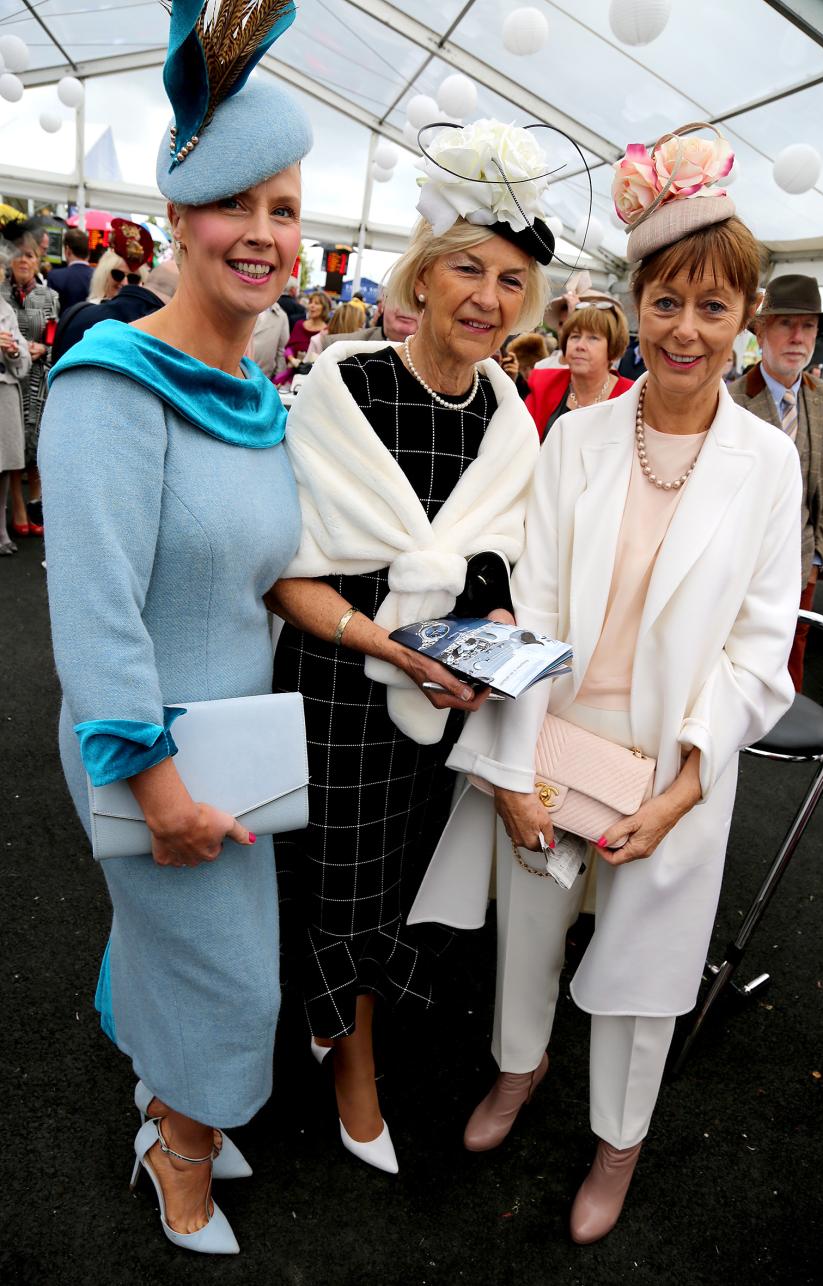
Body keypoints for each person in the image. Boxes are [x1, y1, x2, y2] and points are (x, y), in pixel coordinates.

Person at [409, 123, 801, 1245]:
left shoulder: (766, 463)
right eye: (665, 301)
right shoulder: (577, 439)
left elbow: (759, 648)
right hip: (557, 718)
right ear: (633, 304)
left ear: (743, 317)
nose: (685, 329)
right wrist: (509, 769)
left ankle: (618, 1140)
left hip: (674, 746)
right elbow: (533, 611)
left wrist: (680, 792)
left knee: (640, 966)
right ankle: (517, 1067)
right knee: (529, 922)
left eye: (712, 307)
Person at [38, 0, 312, 1255]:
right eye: (232, 203)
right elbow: (93, 615)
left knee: (209, 952)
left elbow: (267, 571)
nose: (261, 233)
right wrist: (153, 785)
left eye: (284, 208)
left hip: (239, 744)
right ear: (177, 214)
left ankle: (172, 1091)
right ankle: (175, 1143)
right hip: (146, 746)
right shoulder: (110, 384)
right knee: (231, 973)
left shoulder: (255, 389)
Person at [267, 117, 552, 1177]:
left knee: (399, 883)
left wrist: (491, 636)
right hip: (337, 688)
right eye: (468, 269)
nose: (488, 298)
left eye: (511, 280)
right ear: (422, 276)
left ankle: (340, 1020)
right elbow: (284, 573)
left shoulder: (509, 418)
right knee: (342, 882)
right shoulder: (344, 388)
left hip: (439, 702)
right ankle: (353, 1072)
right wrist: (390, 645)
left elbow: (497, 566)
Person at [728, 275, 823, 691]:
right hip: (741, 565)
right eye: (785, 323)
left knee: (792, 656)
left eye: (808, 326)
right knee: (737, 658)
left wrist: (818, 555)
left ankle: (788, 723)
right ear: (760, 331)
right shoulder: (731, 399)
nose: (797, 337)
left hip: (801, 563)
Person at [0, 234, 58, 537]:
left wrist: (44, 349)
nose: (24, 260)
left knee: (35, 441)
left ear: (38, 261)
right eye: (20, 255)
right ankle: (17, 505)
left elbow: (53, 333)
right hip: (7, 380)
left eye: (30, 256)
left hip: (35, 378)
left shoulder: (48, 297)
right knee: (11, 445)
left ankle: (35, 502)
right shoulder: (1, 295)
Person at [525, 291, 633, 439]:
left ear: (613, 346)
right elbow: (524, 441)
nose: (580, 346)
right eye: (575, 336)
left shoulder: (632, 396)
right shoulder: (543, 383)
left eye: (593, 338)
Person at [50, 259, 179, 365]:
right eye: (118, 275)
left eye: (133, 278)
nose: (125, 282)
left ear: (143, 282)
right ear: (104, 275)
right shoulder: (78, 311)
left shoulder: (77, 313)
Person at [0, 256, 32, 554]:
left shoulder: (5, 310)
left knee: (4, 466)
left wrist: (13, 352)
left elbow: (21, 357)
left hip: (6, 393)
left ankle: (0, 531)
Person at [320, 287, 419, 349]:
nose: (408, 305)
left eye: (419, 300)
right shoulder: (336, 347)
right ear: (383, 303)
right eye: (400, 297)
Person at [277, 289, 330, 381]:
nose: (312, 306)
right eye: (310, 302)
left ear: (324, 308)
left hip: (315, 378)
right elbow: (289, 348)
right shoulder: (299, 325)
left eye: (317, 303)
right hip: (293, 374)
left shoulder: (327, 331)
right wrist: (292, 359)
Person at [47, 228, 93, 311]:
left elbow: (49, 311)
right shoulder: (99, 277)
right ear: (88, 252)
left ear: (67, 250)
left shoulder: (55, 277)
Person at [249, 299, 290, 381]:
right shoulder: (241, 307)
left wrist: (278, 378)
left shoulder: (281, 316)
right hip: (234, 375)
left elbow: (282, 350)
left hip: (264, 377)